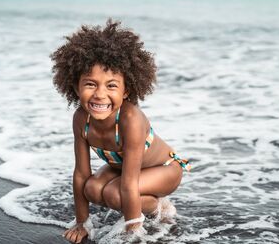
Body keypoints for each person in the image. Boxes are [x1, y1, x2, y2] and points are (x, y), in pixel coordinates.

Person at [50, 19, 191, 243]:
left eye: (111, 85)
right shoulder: (81, 119)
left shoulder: (130, 119)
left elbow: (128, 183)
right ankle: (143, 205)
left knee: (114, 194)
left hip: (164, 170)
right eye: (90, 84)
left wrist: (132, 233)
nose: (99, 94)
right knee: (93, 188)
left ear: (127, 91)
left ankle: (159, 206)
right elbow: (80, 174)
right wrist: (81, 222)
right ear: (76, 86)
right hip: (124, 170)